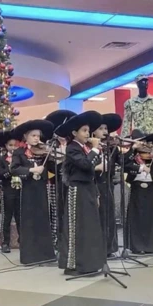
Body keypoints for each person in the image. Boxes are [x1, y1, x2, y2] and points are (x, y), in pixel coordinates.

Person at [55, 111, 105, 276]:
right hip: (77, 190)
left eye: (88, 130)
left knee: (89, 226)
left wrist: (96, 193)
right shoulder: (72, 148)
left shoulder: (85, 148)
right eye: (84, 130)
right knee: (76, 227)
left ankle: (89, 263)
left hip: (88, 189)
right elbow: (85, 165)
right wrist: (95, 150)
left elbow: (92, 170)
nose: (87, 134)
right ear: (74, 133)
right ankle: (74, 264)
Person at [10, 120, 56, 265]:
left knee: (43, 220)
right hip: (27, 189)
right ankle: (30, 256)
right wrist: (30, 170)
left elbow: (53, 169)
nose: (37, 138)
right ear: (26, 136)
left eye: (38, 135)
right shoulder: (19, 152)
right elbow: (14, 169)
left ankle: (46, 254)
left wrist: (54, 159)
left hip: (41, 189)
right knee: (29, 222)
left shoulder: (43, 151)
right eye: (34, 135)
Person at [125, 129, 153, 254]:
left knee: (150, 217)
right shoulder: (132, 156)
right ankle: (137, 246)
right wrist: (133, 148)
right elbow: (125, 163)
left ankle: (150, 246)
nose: (145, 145)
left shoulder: (152, 157)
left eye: (146, 142)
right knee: (137, 217)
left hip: (151, 188)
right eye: (142, 142)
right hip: (137, 187)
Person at [91, 113, 122, 257]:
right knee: (98, 216)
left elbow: (121, 162)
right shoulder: (89, 148)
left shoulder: (110, 146)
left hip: (108, 183)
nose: (104, 131)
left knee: (109, 214)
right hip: (95, 183)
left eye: (106, 128)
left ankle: (110, 248)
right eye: (100, 128)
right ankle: (98, 249)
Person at [45, 110, 76, 248]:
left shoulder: (72, 143)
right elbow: (49, 165)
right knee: (57, 211)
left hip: (72, 181)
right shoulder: (51, 144)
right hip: (56, 181)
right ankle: (59, 240)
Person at [0, 131, 20, 254]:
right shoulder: (2, 159)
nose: (13, 148)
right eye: (11, 145)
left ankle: (23, 241)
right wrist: (8, 172)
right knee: (7, 217)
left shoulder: (21, 157)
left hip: (20, 190)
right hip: (8, 190)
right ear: (6, 146)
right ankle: (5, 242)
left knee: (21, 217)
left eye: (15, 145)